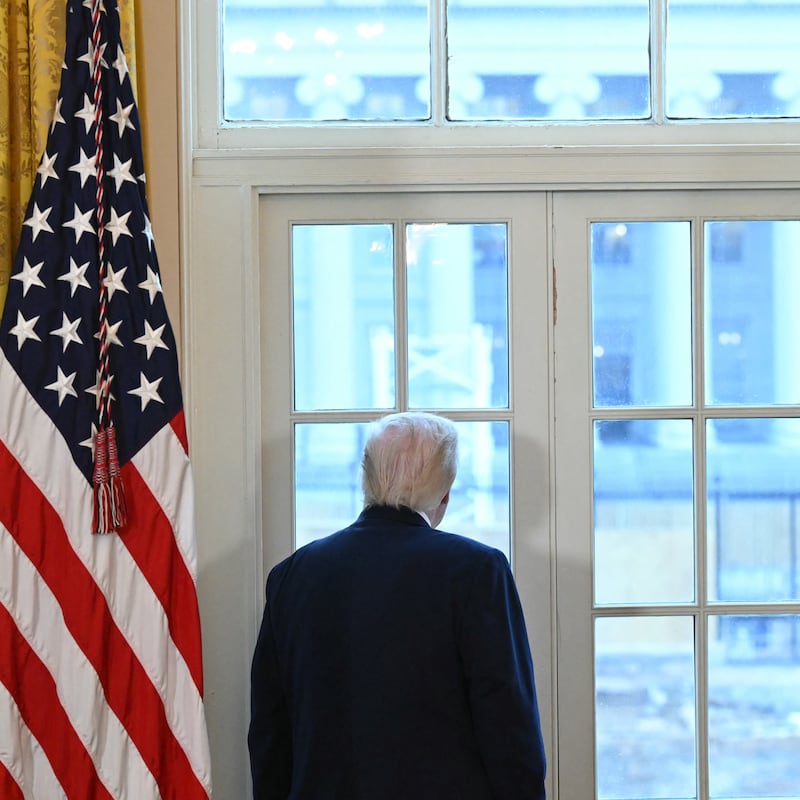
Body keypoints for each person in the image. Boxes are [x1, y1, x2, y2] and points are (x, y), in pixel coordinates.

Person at [248, 412, 547, 799]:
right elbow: (509, 729)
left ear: (366, 480)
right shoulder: (477, 571)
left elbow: (270, 738)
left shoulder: (291, 577)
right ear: (444, 493)